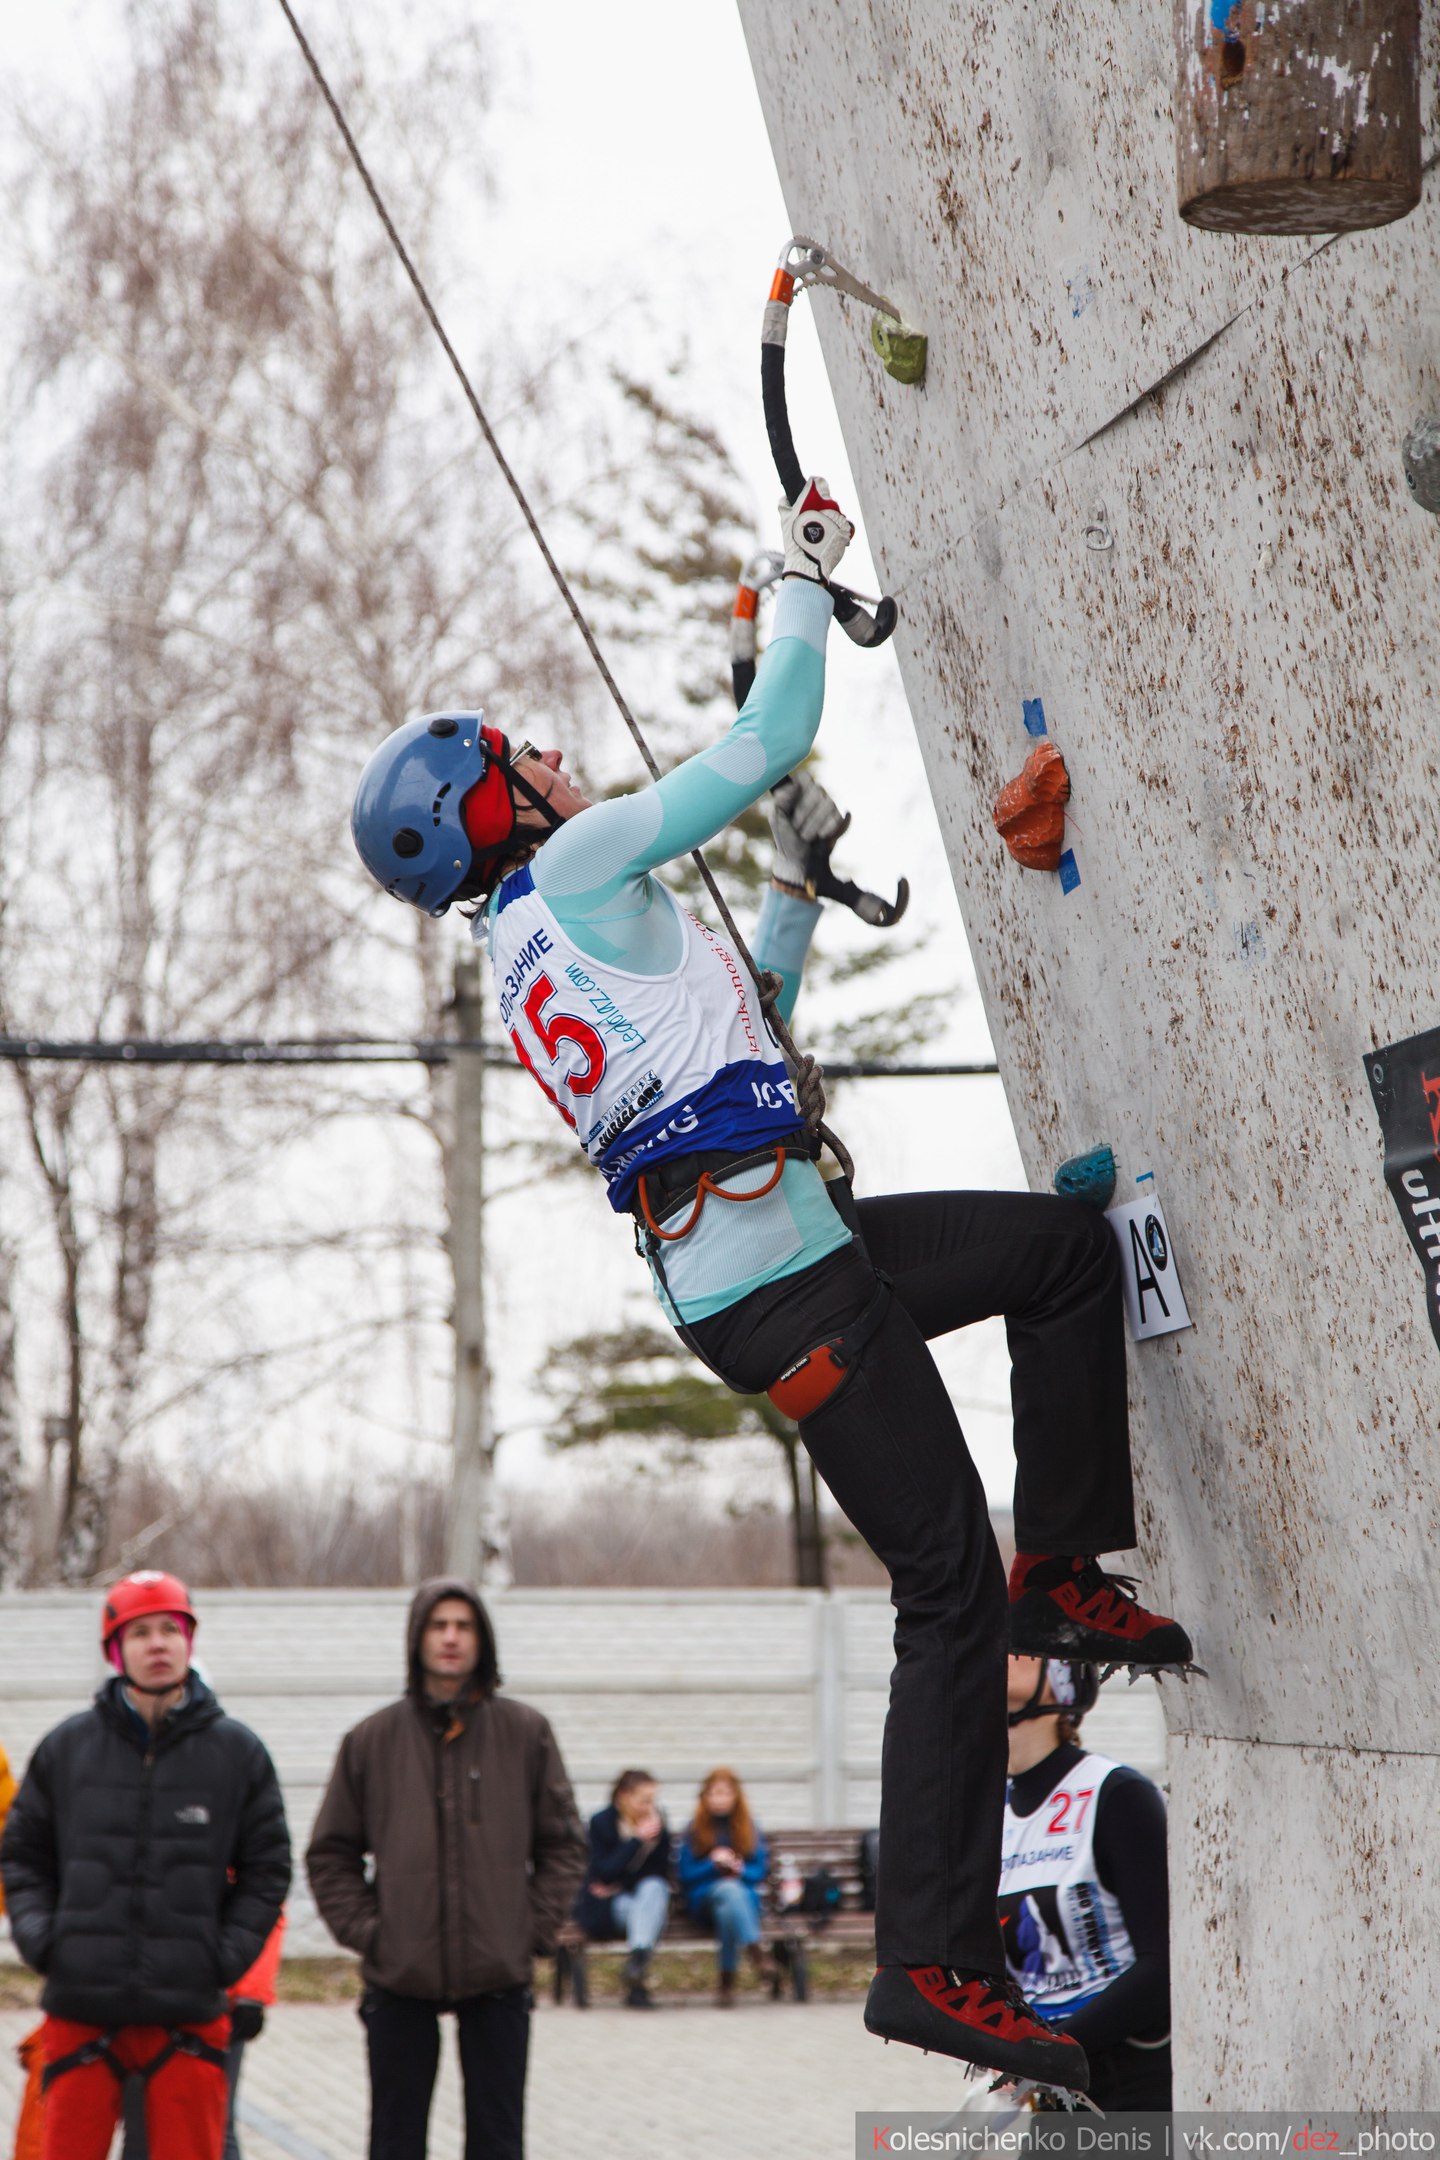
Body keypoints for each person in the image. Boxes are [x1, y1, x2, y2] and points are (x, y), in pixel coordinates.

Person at [350, 479, 1195, 2094]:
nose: (547, 753)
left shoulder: (542, 935)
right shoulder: (583, 856)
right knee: (945, 1598)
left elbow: (750, 1033)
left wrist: (796, 891)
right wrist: (789, 581)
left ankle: (1067, 1563)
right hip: (791, 1292)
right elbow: (773, 732)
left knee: (1056, 1256)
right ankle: (934, 1965)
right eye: (515, 756)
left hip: (790, 1259)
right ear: (490, 807)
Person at [0, 1571, 290, 2160]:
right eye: (140, 1633)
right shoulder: (66, 1750)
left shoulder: (238, 1753)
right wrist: (45, 1941)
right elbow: (23, 1856)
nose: (158, 1644)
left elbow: (267, 1870)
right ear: (116, 1650)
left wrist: (224, 1956)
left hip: (190, 2015)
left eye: (170, 1630)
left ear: (189, 1641)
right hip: (81, 2012)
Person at [306, 1578, 585, 2160]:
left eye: (464, 1625)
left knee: (498, 2140)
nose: (451, 1638)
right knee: (395, 2140)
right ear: (417, 1638)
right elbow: (330, 1852)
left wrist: (529, 1928)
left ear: (483, 1639)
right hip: (400, 1974)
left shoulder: (526, 1733)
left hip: (498, 1971)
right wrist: (373, 1934)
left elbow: (563, 1845)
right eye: (439, 1625)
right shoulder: (371, 1740)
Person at [999, 1658, 1171, 2109]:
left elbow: (1164, 1967)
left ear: (1062, 1677)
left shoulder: (1116, 1794)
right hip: (1054, 2091)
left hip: (1132, 2086)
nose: (995, 1653)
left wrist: (1045, 2051)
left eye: (1020, 1650)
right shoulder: (988, 1814)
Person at [573, 1769, 671, 2009]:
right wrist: (636, 1841)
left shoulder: (657, 1825)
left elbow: (661, 1873)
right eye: (644, 1800)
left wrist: (620, 1882)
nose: (650, 1807)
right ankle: (636, 1976)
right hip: (609, 1908)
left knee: (654, 1889)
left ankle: (636, 1965)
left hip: (642, 1901)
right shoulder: (602, 1823)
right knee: (649, 1910)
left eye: (652, 1800)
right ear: (625, 1796)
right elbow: (602, 1872)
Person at [675, 1768, 772, 2005]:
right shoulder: (694, 1829)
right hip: (704, 1899)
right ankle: (755, 1950)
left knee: (728, 1907)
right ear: (704, 1797)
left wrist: (738, 1869)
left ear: (736, 1796)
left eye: (725, 1794)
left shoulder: (749, 1828)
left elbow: (758, 1872)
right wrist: (712, 1863)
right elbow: (685, 1875)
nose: (719, 1800)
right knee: (727, 1892)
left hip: (742, 1900)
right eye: (714, 1794)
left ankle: (726, 1986)